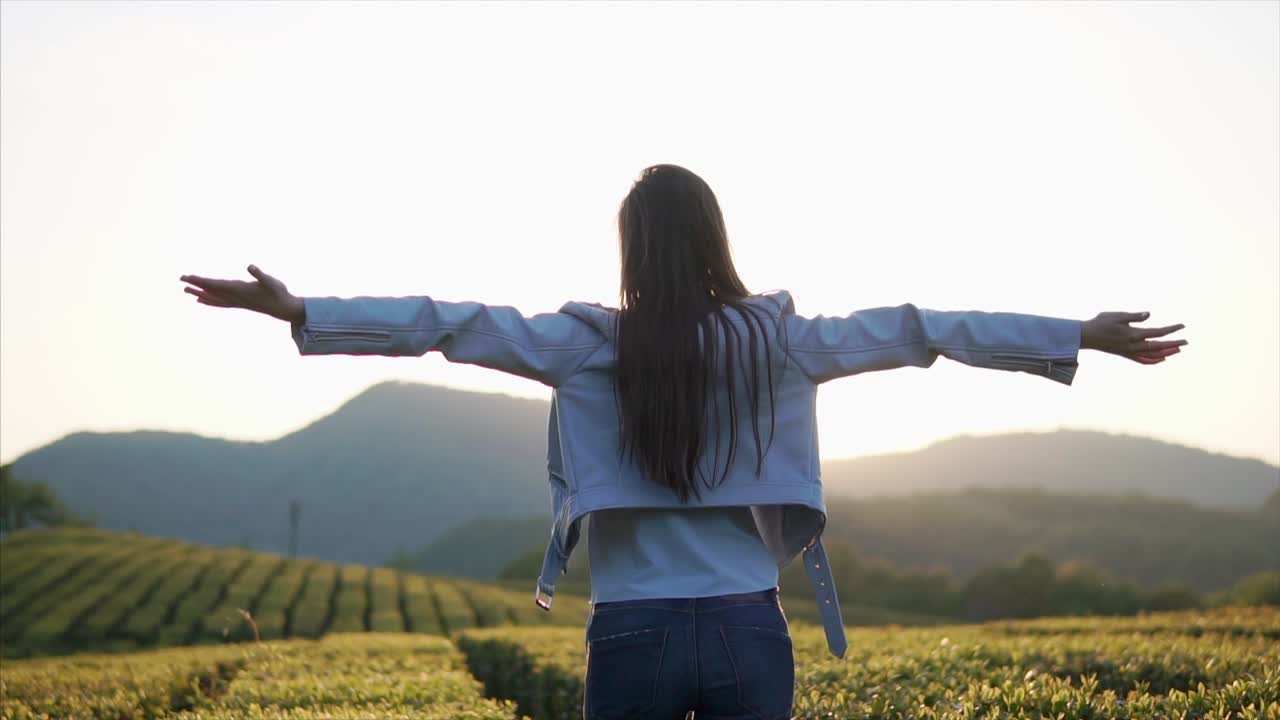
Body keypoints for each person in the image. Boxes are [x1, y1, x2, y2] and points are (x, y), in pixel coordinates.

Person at [179, 163, 1186, 720]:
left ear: (631, 248)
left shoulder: (584, 346)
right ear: (714, 240)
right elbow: (924, 327)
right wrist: (1075, 335)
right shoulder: (780, 342)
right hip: (749, 629)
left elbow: (447, 322)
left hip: (630, 631)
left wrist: (301, 310)